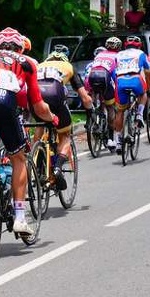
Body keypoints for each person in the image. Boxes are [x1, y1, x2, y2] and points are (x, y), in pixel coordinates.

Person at [0, 27, 57, 238]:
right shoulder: (27, 62)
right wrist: (52, 118)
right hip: (3, 101)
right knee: (18, 158)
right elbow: (38, 104)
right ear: (21, 47)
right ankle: (20, 218)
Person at [35, 46, 92, 190]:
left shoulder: (39, 66)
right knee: (65, 134)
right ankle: (58, 168)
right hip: (54, 94)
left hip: (36, 96)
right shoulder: (68, 66)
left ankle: (35, 158)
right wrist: (90, 113)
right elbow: (85, 98)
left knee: (40, 124)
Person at [112, 35, 150, 153]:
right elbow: (148, 72)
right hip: (135, 79)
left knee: (120, 111)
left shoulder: (118, 55)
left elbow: (114, 72)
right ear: (139, 45)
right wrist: (148, 87)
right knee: (143, 94)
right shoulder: (141, 54)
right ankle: (139, 114)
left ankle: (118, 141)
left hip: (120, 81)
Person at [85, 37, 121, 149]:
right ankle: (110, 139)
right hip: (105, 79)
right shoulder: (117, 56)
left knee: (94, 99)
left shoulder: (99, 55)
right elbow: (116, 74)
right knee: (110, 107)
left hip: (91, 78)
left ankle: (92, 116)